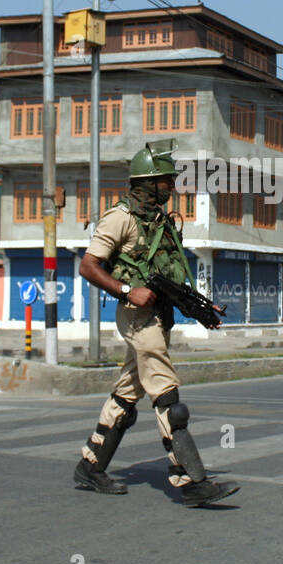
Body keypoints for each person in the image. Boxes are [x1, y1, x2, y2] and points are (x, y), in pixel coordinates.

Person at [72, 139, 240, 507]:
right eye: (166, 181)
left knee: (127, 392)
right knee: (167, 394)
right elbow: (88, 266)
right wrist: (126, 290)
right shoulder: (120, 218)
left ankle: (91, 465)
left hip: (158, 314)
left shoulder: (160, 220)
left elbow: (169, 275)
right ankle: (188, 479)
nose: (172, 187)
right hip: (136, 316)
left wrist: (201, 307)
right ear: (148, 182)